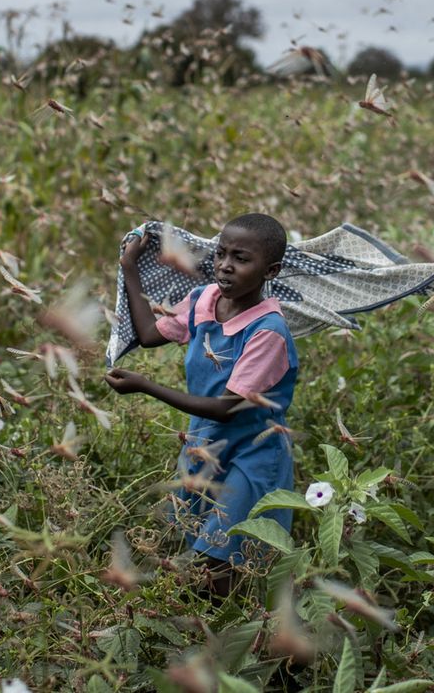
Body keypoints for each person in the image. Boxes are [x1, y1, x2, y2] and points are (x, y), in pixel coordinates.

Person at [104, 213, 298, 599]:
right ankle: (209, 632)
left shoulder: (268, 332)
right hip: (204, 447)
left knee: (220, 560)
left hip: (252, 455)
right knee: (188, 542)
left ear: (270, 271)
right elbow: (147, 334)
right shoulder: (203, 301)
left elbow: (226, 408)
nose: (225, 265)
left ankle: (235, 640)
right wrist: (129, 268)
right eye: (221, 253)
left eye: (241, 259)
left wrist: (147, 386)